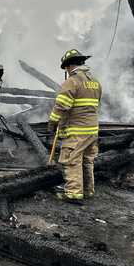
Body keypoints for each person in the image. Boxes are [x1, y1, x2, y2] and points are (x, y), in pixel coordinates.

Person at [48, 49, 102, 204]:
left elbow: (61, 105)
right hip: (92, 130)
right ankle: (87, 191)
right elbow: (96, 104)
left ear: (69, 65)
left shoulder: (72, 81)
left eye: (66, 67)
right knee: (87, 160)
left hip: (77, 130)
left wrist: (53, 122)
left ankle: (73, 194)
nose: (66, 70)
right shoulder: (95, 82)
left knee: (72, 160)